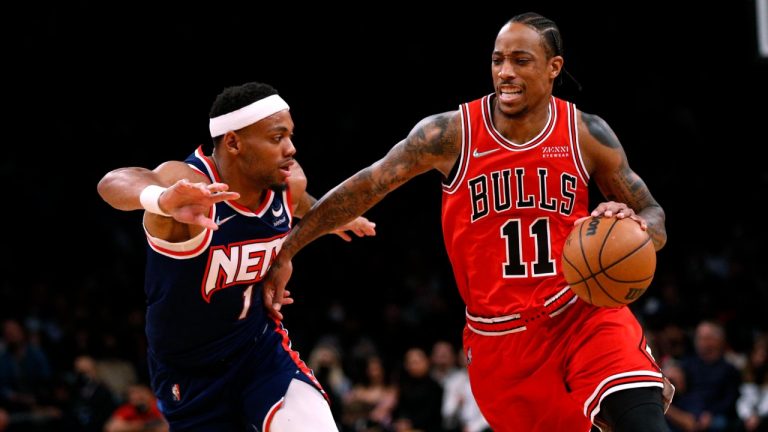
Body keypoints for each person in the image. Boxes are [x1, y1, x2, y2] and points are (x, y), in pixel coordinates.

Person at [264, 13, 675, 432]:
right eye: (498, 60)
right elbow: (369, 184)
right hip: (500, 339)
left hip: (579, 314)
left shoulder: (585, 133)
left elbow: (653, 215)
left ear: (554, 67)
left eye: (520, 60)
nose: (505, 72)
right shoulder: (451, 134)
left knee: (644, 422)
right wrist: (289, 248)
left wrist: (634, 225)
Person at [97, 81, 376, 431]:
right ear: (233, 143)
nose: (291, 148)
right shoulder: (189, 185)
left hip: (258, 351)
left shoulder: (288, 180)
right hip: (189, 374)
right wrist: (161, 200)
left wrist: (321, 217)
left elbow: (295, 204)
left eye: (290, 135)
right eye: (277, 137)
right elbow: (113, 182)